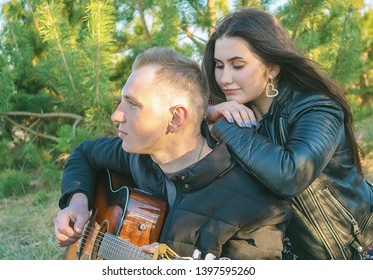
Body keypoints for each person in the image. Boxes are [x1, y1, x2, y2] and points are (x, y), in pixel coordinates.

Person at [54, 47, 292, 260]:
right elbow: (84, 153)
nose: (117, 115)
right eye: (121, 101)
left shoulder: (255, 207)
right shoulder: (139, 155)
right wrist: (77, 203)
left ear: (176, 118)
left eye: (132, 104)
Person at [202, 7, 373, 260]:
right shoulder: (233, 113)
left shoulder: (317, 107)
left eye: (237, 65)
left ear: (272, 67)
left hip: (354, 252)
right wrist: (206, 115)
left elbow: (291, 174)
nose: (224, 78)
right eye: (219, 66)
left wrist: (221, 125)